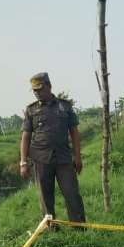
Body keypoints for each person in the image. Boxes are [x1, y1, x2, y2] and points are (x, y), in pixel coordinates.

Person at [19, 72, 86, 224]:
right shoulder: (31, 110)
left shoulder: (65, 106)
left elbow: (74, 133)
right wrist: (23, 162)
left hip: (63, 158)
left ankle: (79, 227)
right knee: (45, 197)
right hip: (41, 159)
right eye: (34, 90)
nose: (37, 93)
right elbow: (25, 137)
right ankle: (51, 227)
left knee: (72, 194)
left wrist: (77, 157)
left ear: (49, 86)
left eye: (40, 89)